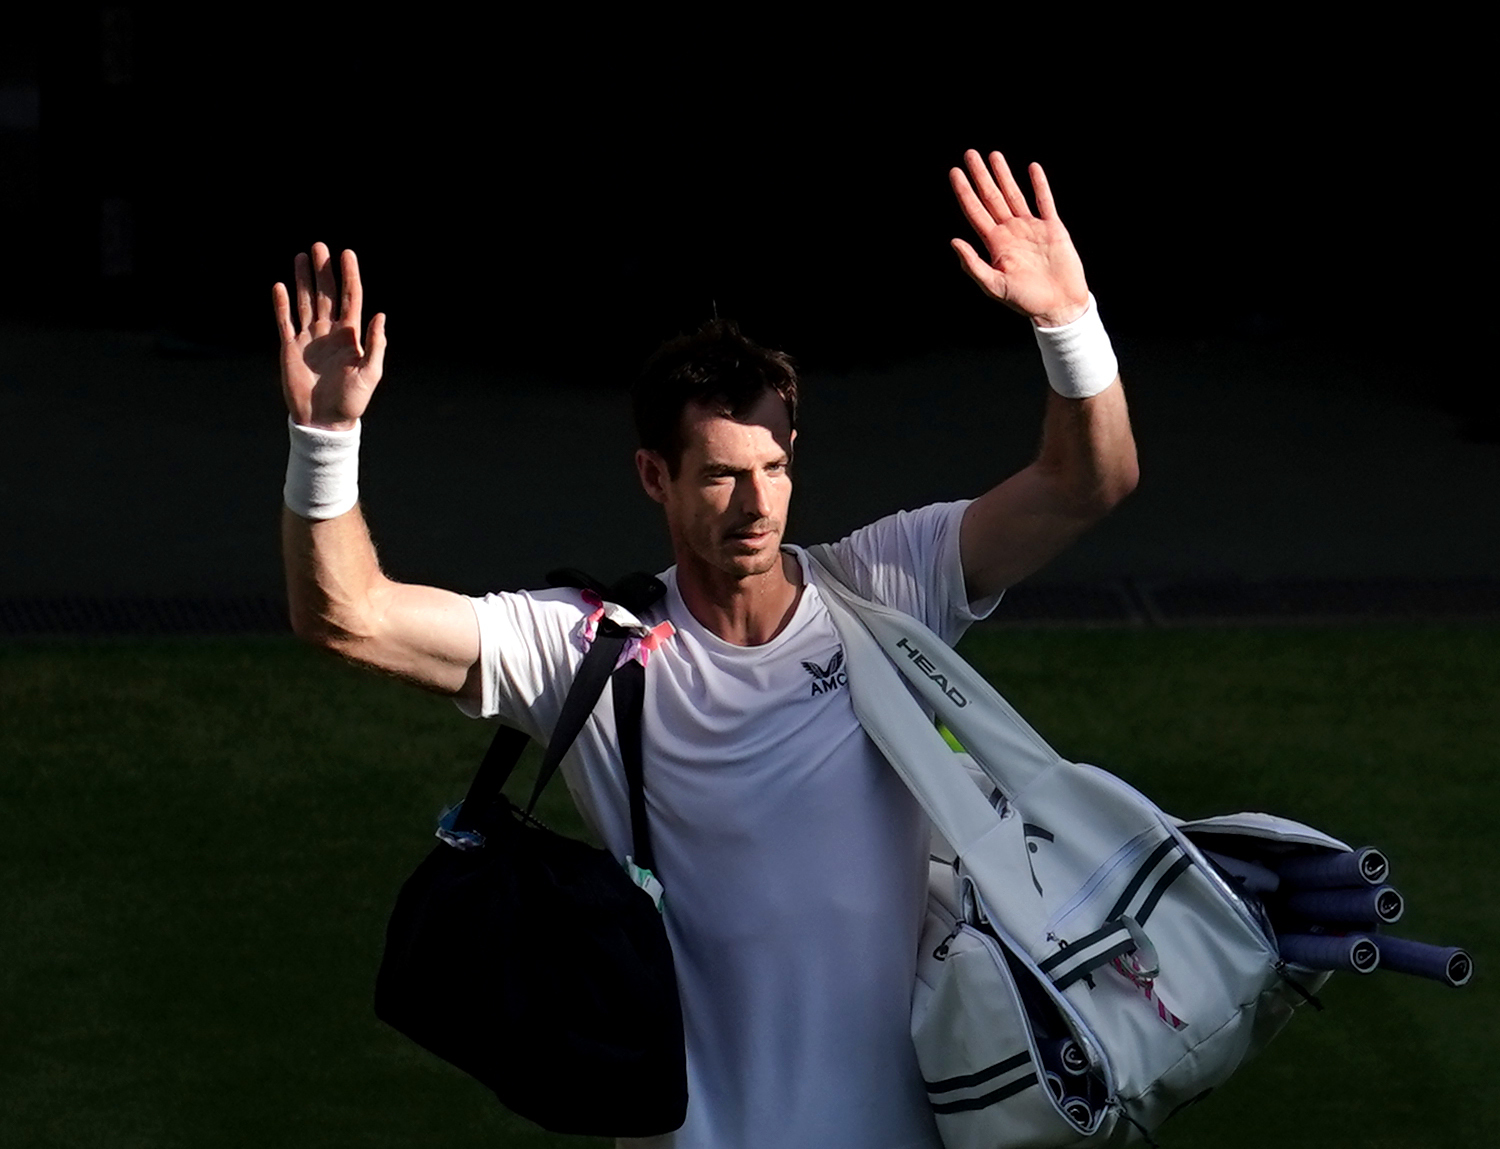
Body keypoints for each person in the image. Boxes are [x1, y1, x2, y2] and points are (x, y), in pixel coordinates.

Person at [274, 150, 1139, 1149]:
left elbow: (1089, 483)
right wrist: (322, 441)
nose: (757, 502)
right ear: (655, 476)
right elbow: (346, 615)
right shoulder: (588, 650)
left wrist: (1067, 321)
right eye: (723, 476)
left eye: (772, 467)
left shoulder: (885, 587)